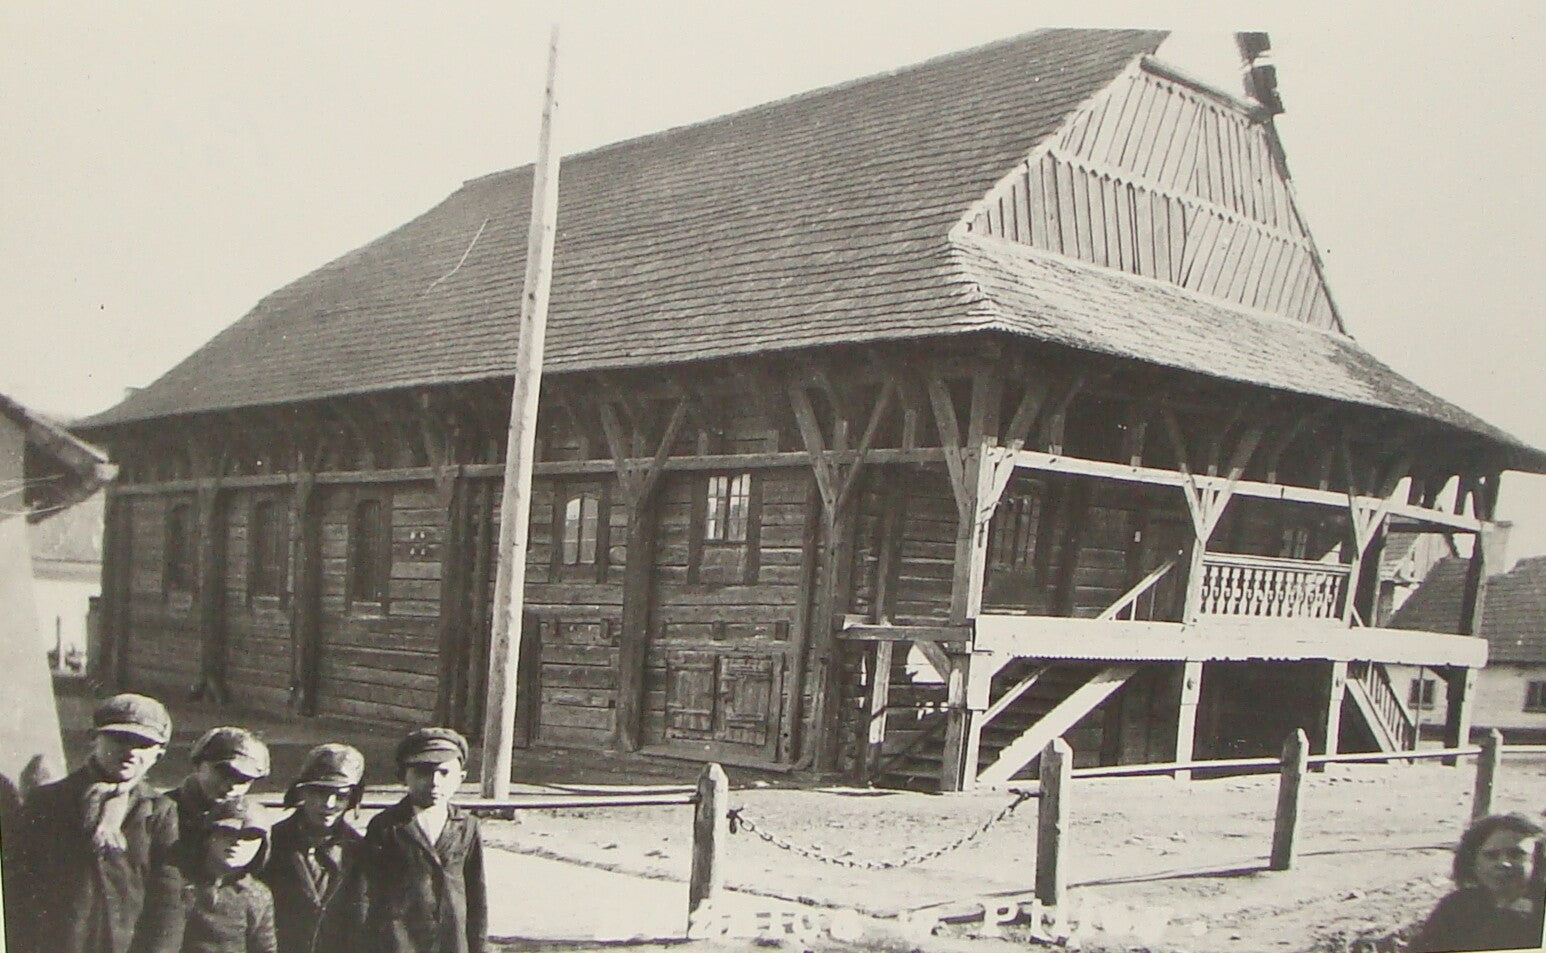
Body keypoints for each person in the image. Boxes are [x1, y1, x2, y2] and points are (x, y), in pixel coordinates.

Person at [5, 692, 185, 953]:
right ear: (93, 738)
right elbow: (18, 883)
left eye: (144, 744)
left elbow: (167, 898)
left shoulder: (158, 811)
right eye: (120, 739)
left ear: (159, 754)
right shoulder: (48, 801)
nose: (131, 752)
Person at [362, 727, 487, 953]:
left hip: (451, 942)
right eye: (423, 772)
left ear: (461, 778)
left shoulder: (467, 826)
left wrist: (477, 947)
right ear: (403, 776)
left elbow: (476, 896)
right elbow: (369, 894)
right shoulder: (386, 826)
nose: (434, 782)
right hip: (400, 943)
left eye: (444, 773)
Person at [260, 743, 369, 953]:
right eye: (320, 792)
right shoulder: (271, 843)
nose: (329, 804)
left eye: (341, 796)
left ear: (353, 799)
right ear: (302, 792)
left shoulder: (361, 851)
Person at [1411, 812, 1545, 952]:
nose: (1503, 863)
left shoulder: (1539, 909)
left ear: (1537, 858)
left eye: (1516, 854)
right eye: (1491, 856)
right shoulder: (1456, 908)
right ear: (1473, 862)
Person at [178, 796, 277, 953]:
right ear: (208, 837)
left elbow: (265, 949)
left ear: (262, 847)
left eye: (249, 836)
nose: (237, 842)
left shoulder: (257, 895)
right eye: (227, 832)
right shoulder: (180, 882)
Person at [169, 726, 271, 838]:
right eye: (225, 773)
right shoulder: (162, 812)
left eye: (243, 780)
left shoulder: (252, 820)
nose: (232, 787)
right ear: (198, 765)